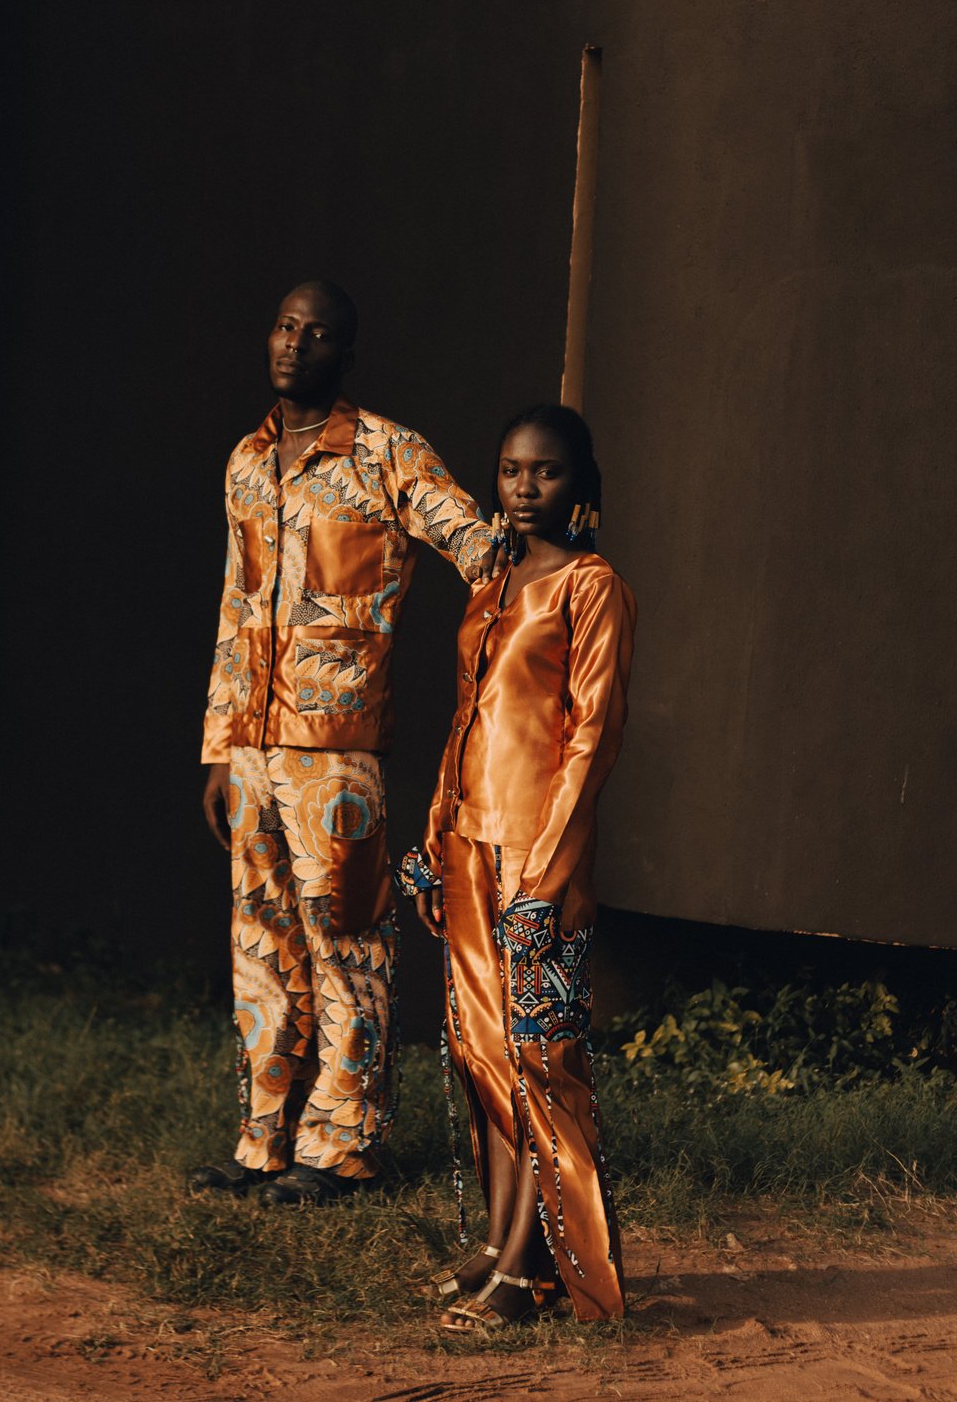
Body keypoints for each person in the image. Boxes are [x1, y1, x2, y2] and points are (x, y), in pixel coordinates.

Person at [191, 279, 498, 1207]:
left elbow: (476, 544)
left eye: (317, 334)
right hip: (249, 748)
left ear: (345, 354)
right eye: (285, 326)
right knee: (262, 943)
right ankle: (265, 1145)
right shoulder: (247, 461)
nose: (295, 344)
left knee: (349, 945)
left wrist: (544, 573)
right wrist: (217, 742)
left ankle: (345, 1148)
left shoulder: (384, 453)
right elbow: (236, 605)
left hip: (337, 754)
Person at [399, 403, 636, 1325]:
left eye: (545, 472)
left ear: (581, 485)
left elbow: (591, 740)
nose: (524, 488)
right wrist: (433, 842)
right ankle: (507, 1253)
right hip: (466, 844)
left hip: (535, 855)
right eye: (508, 471)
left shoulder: (591, 585)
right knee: (480, 1054)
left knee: (538, 1061)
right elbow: (466, 720)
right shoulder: (493, 582)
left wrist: (545, 877)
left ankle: (542, 1272)